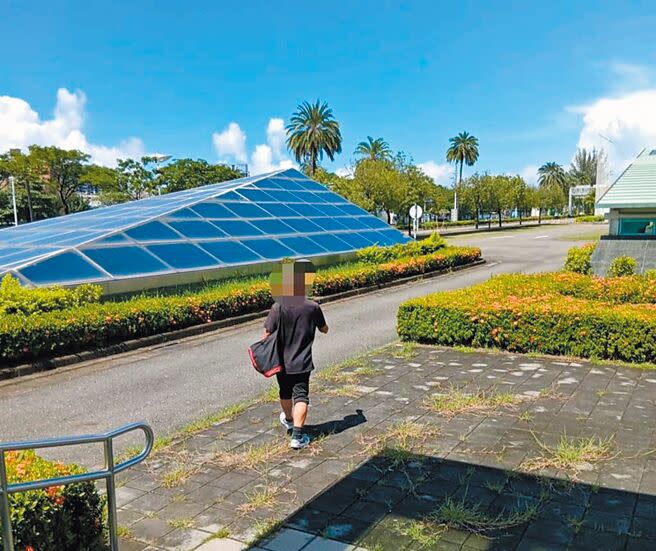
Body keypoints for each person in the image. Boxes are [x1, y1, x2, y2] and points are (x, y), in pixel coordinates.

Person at [263, 260, 329, 449]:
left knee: (284, 392)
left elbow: (267, 333)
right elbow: (324, 329)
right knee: (301, 395)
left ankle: (290, 421)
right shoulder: (312, 306)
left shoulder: (278, 307)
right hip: (302, 361)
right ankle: (298, 437)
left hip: (281, 361)